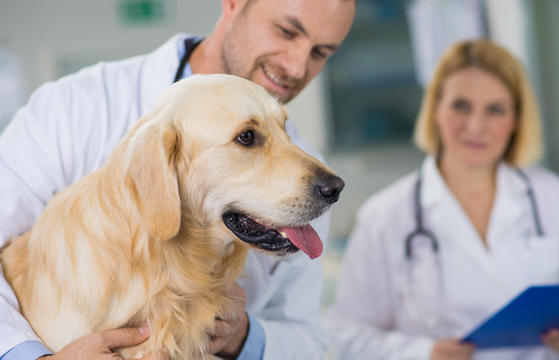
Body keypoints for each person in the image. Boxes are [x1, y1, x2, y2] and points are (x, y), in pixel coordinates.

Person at [0, 0, 356, 359]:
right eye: (286, 31)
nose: (296, 67)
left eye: (321, 52)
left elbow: (307, 338)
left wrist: (243, 337)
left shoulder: (310, 174)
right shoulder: (72, 105)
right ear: (233, 4)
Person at [325, 39, 559, 360]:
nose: (475, 126)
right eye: (461, 106)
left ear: (516, 120)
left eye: (495, 110)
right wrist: (423, 353)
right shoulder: (384, 216)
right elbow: (347, 333)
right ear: (435, 110)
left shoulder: (551, 196)